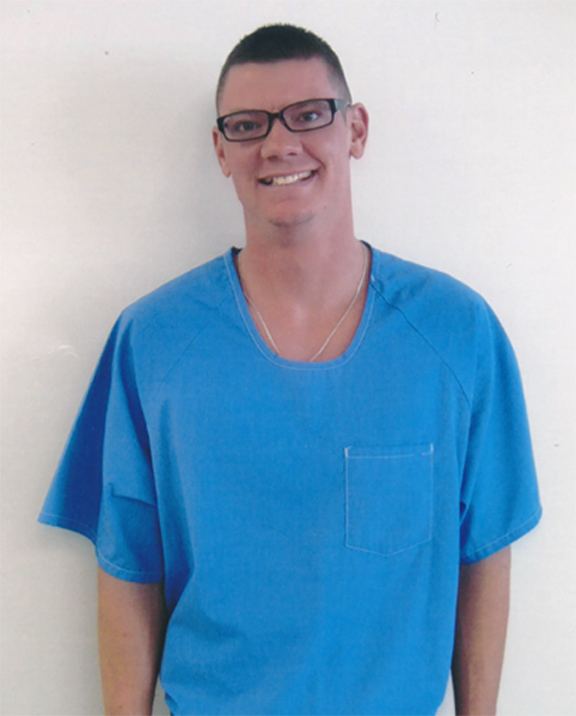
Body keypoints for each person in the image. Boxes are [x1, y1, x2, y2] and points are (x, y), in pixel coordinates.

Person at [38, 23, 542, 716]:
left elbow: (484, 550)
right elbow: (128, 565)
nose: (279, 144)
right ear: (221, 150)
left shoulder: (458, 334)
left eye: (309, 115)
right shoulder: (154, 341)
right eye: (248, 126)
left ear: (355, 129)